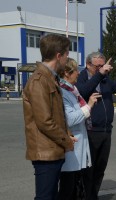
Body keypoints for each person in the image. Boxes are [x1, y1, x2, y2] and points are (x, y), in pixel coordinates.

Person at [22, 34, 76, 200]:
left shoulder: (49, 78)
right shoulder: (39, 81)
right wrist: (66, 140)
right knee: (45, 197)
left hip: (52, 150)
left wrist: (67, 133)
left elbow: (57, 114)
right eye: (67, 54)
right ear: (58, 56)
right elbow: (45, 122)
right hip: (45, 153)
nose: (68, 59)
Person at [75, 52, 116, 200]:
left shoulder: (105, 79)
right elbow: (83, 92)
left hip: (106, 130)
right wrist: (100, 75)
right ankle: (85, 196)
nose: (101, 69)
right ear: (88, 64)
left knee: (100, 169)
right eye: (97, 66)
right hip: (89, 131)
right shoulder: (82, 77)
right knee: (87, 169)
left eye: (103, 66)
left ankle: (93, 195)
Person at [57, 58, 101, 200]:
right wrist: (88, 106)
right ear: (66, 73)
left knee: (76, 188)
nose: (78, 73)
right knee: (67, 189)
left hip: (78, 147)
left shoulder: (73, 90)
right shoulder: (63, 92)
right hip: (71, 148)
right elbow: (69, 119)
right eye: (75, 70)